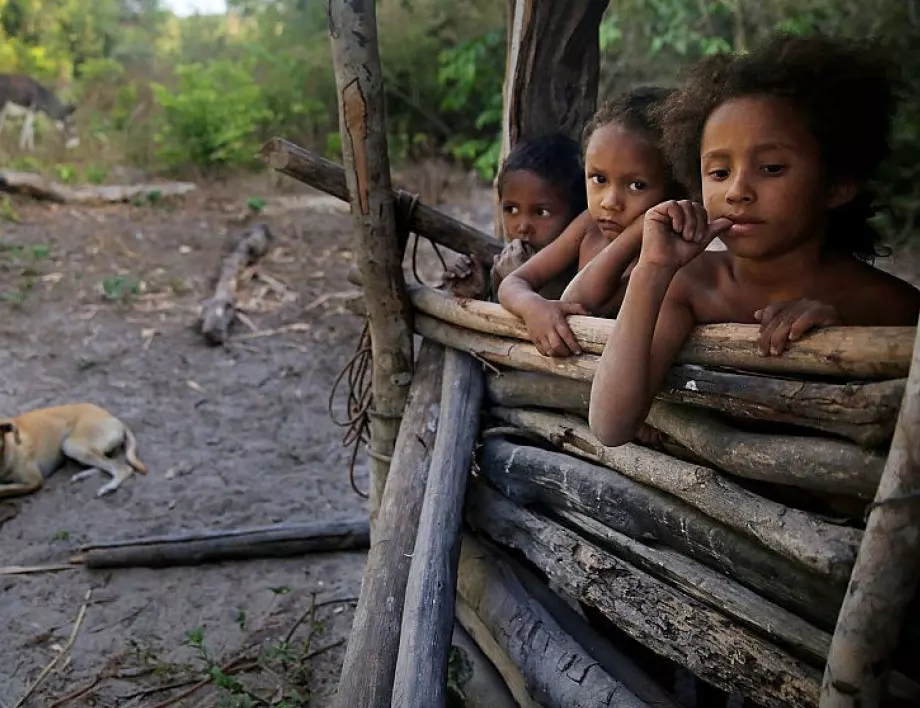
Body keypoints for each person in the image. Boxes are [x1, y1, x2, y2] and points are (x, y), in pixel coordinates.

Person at [589, 34, 920, 448]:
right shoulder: (694, 284)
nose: (737, 192)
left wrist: (835, 343)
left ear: (837, 184)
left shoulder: (892, 308)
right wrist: (651, 271)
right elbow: (610, 424)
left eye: (771, 168)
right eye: (719, 172)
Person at [498, 86, 686, 357]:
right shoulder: (588, 226)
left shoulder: (671, 252)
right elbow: (514, 281)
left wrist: (636, 232)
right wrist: (532, 307)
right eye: (599, 179)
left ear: (675, 189)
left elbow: (588, 302)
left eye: (636, 185)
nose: (610, 201)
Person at [443, 131, 586, 300]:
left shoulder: (584, 274)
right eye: (511, 210)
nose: (523, 226)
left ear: (577, 216)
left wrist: (518, 282)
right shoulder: (501, 265)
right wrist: (477, 292)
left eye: (542, 212)